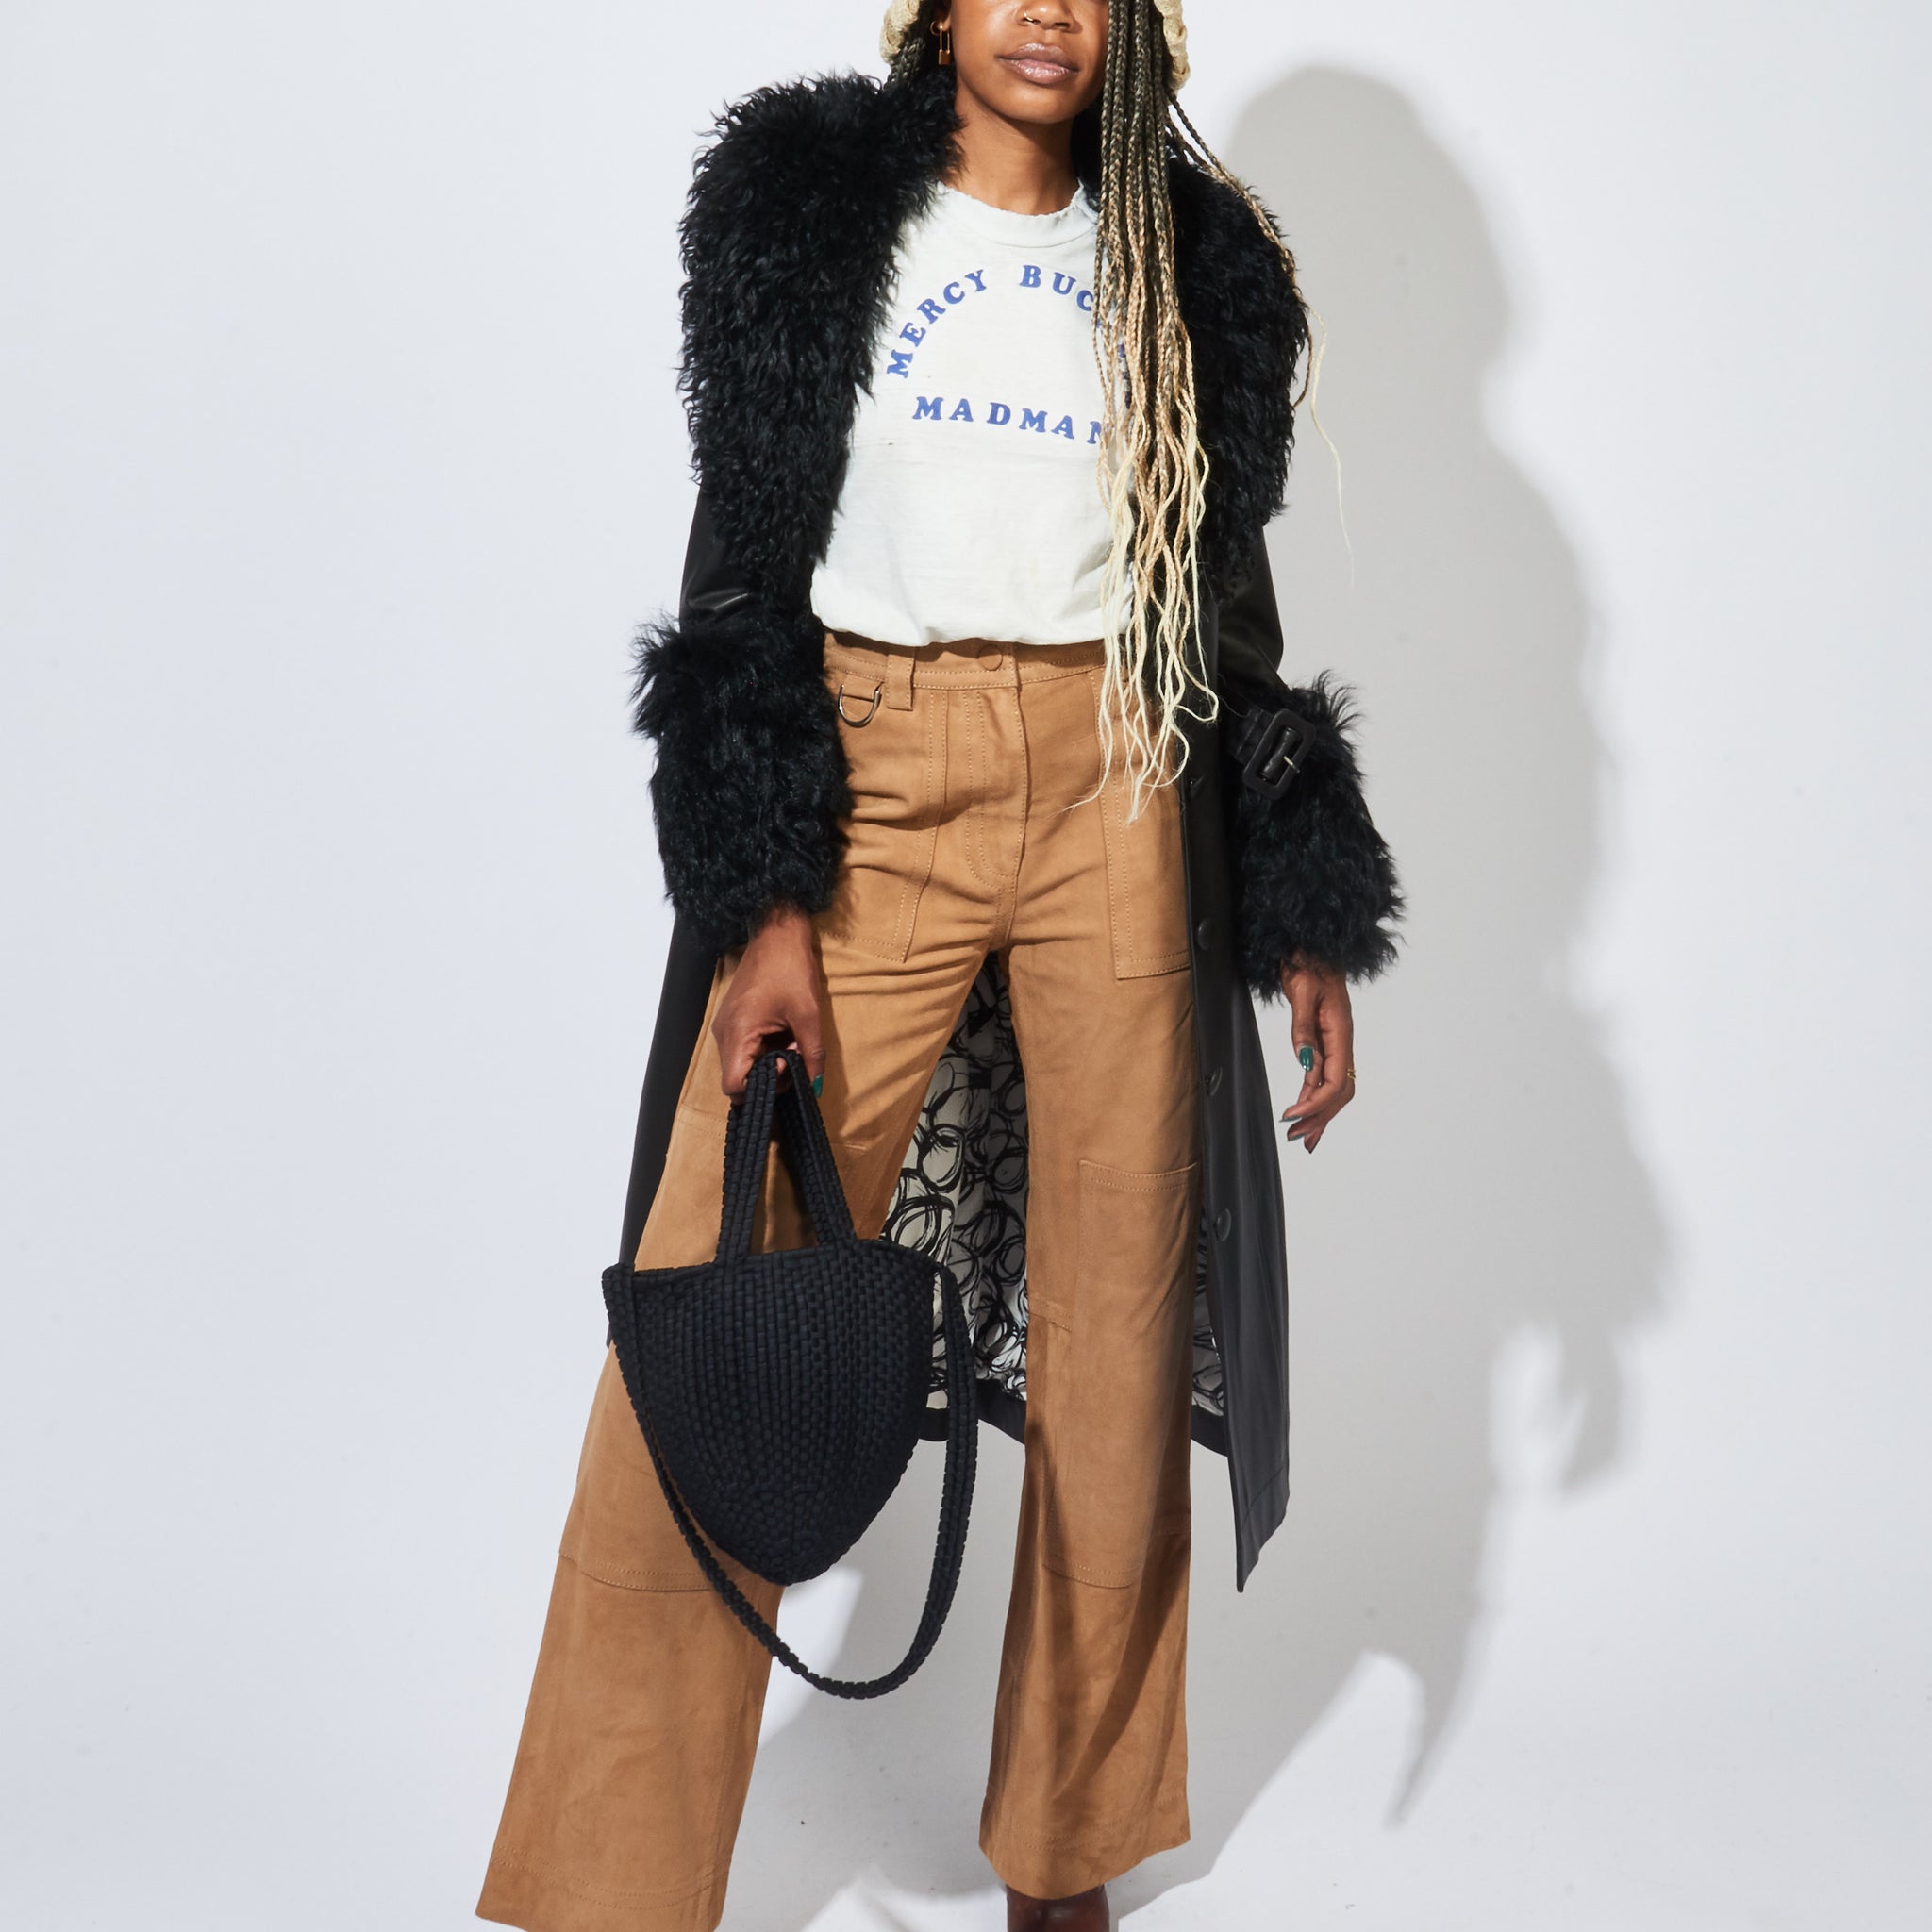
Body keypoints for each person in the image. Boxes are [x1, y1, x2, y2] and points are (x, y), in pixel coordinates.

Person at [478, 4, 1399, 1928]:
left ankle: (1067, 1848)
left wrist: (1304, 895)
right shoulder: (809, 208)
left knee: (1118, 1326)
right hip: (868, 776)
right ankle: (604, 1887)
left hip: (1120, 781)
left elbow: (1226, 614)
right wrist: (766, 902)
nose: (1045, 8)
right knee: (715, 1295)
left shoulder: (1191, 262)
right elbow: (741, 577)